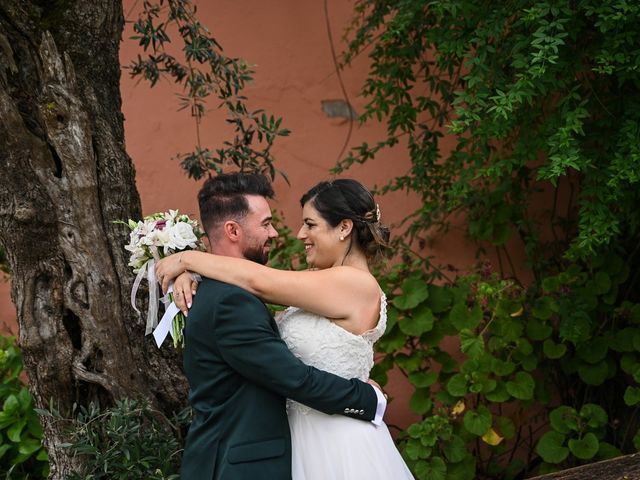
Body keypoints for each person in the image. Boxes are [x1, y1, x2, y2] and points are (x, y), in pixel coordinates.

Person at [156, 177, 414, 479]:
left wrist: (187, 259)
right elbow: (248, 287)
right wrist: (192, 274)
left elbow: (258, 282)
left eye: (310, 224)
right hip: (299, 441)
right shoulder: (316, 283)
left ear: (344, 228)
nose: (299, 233)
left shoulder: (354, 284)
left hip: (338, 444)